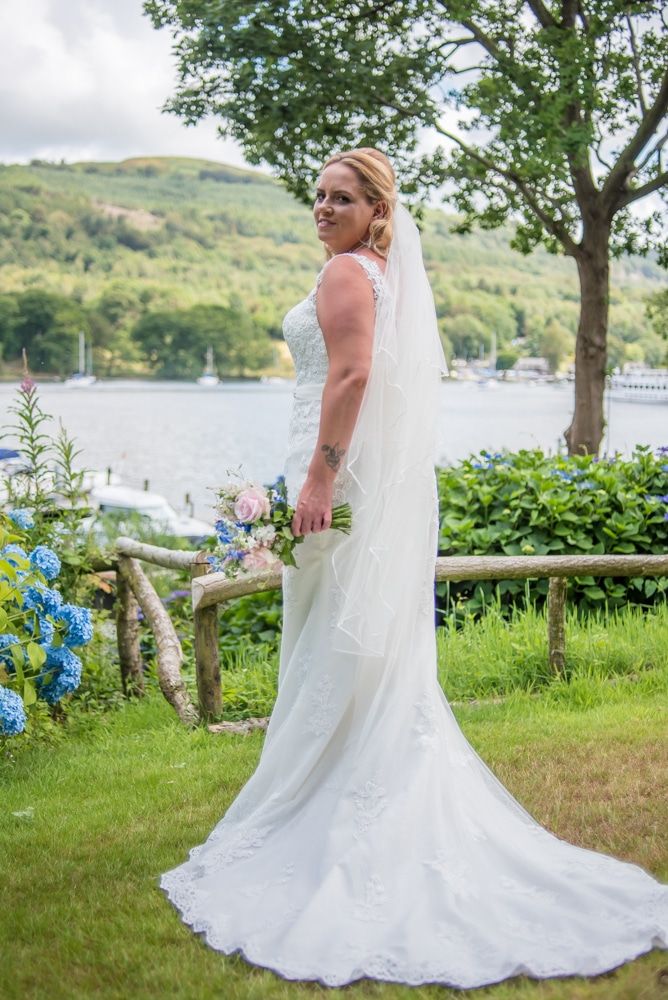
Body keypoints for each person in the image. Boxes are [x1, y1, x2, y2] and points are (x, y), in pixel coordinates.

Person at [160, 148, 668, 989]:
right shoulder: (376, 275)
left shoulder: (348, 277)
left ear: (376, 209)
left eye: (342, 197)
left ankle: (340, 796)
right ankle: (353, 770)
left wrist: (319, 476)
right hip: (350, 479)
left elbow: (353, 373)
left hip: (336, 481)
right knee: (343, 643)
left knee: (328, 639)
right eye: (317, 195)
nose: (322, 207)